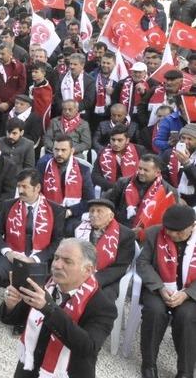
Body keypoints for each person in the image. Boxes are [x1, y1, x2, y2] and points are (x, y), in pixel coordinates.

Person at [0, 238, 117, 378]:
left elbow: (88, 348)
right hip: (29, 365)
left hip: (67, 373)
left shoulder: (102, 306)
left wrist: (48, 308)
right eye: (56, 258)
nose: (57, 265)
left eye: (67, 261)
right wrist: (11, 304)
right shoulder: (44, 283)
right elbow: (14, 318)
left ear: (88, 270)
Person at [0, 168, 66, 350]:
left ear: (38, 188)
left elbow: (57, 242)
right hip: (12, 255)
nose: (21, 191)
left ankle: (23, 319)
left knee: (36, 284)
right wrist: (7, 251)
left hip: (37, 259)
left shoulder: (55, 210)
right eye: (19, 186)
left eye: (25, 187)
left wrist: (35, 258)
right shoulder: (10, 205)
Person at [136, 205, 196, 378]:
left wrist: (186, 294)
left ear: (193, 225)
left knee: (187, 317)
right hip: (159, 288)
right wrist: (160, 288)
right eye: (168, 230)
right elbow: (143, 263)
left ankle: (185, 371)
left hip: (189, 293)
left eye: (178, 232)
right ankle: (148, 365)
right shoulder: (154, 233)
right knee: (154, 312)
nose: (171, 234)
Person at [71, 198, 136, 298]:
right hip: (77, 272)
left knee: (103, 297)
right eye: (92, 211)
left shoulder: (126, 234)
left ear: (111, 216)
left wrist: (92, 279)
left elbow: (120, 267)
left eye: (99, 211)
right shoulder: (78, 228)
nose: (94, 214)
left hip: (107, 279)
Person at [37, 135, 94, 234]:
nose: (59, 153)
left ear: (72, 151)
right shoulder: (42, 167)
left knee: (70, 230)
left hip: (72, 214)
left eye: (63, 150)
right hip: (46, 211)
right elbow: (36, 193)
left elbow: (89, 200)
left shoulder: (83, 170)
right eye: (56, 150)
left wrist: (69, 212)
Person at [103, 154, 177, 230]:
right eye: (140, 168)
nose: (141, 172)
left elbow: (170, 217)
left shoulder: (168, 191)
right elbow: (110, 205)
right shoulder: (123, 182)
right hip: (122, 229)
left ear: (157, 173)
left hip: (149, 234)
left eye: (145, 170)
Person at [91, 124, 145, 192]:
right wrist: (115, 187)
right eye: (113, 140)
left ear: (127, 140)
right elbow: (95, 176)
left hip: (135, 189)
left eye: (120, 140)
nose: (115, 143)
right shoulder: (103, 152)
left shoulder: (139, 150)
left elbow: (144, 173)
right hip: (111, 189)